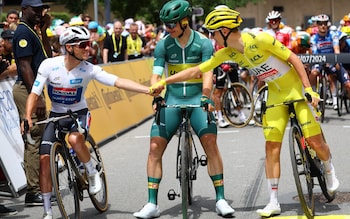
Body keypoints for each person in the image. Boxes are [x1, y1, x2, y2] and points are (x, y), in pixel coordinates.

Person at [151, 6, 339, 217]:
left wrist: (308, 89)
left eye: (213, 32)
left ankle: (329, 167)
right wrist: (164, 81)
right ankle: (273, 201)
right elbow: (198, 70)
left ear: (224, 30)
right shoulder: (227, 52)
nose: (212, 37)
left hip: (295, 89)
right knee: (271, 147)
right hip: (275, 94)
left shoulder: (259, 39)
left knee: (315, 142)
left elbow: (293, 59)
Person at [22, 26, 161, 219]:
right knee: (44, 159)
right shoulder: (48, 65)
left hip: (78, 114)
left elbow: (118, 81)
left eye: (90, 44)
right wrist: (27, 117)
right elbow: (34, 94)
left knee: (74, 139)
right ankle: (47, 211)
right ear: (69, 48)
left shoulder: (89, 69)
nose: (89, 49)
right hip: (56, 115)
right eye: (84, 45)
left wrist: (147, 90)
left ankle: (92, 171)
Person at [134, 1, 235, 218]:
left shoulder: (203, 43)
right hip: (172, 98)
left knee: (210, 143)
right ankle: (152, 203)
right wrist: (156, 92)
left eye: (171, 25)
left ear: (184, 21)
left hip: (198, 98)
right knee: (154, 147)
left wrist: (206, 97)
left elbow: (208, 73)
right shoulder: (163, 44)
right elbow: (157, 73)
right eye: (165, 25)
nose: (167, 29)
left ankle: (220, 199)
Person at [12, 0, 52, 207]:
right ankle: (33, 191)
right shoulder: (22, 33)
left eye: (41, 9)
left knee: (39, 137)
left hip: (33, 89)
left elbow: (49, 57)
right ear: (24, 9)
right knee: (34, 140)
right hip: (27, 89)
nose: (40, 12)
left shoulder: (32, 30)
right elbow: (25, 67)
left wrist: (44, 30)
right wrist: (35, 96)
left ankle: (39, 188)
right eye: (35, 9)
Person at [309, 14, 350, 110]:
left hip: (332, 60)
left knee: (348, 84)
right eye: (320, 24)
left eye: (325, 23)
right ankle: (314, 94)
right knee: (313, 73)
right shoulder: (314, 38)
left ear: (328, 24)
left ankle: (337, 98)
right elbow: (314, 53)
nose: (323, 26)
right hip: (319, 60)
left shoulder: (333, 35)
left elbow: (336, 49)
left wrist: (337, 61)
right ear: (317, 25)